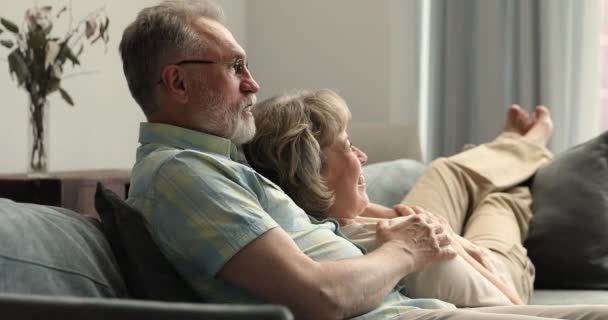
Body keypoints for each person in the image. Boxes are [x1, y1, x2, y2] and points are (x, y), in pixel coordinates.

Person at [119, 0, 608, 319]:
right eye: (236, 66)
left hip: (416, 304)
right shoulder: (180, 174)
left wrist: (402, 238)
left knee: (467, 186)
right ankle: (519, 156)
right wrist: (406, 249)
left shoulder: (217, 165)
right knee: (480, 193)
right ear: (177, 83)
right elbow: (318, 295)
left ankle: (517, 156)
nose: (254, 83)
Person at [242, 89, 552, 308]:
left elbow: (347, 212)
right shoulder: (356, 245)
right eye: (349, 146)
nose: (363, 156)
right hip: (493, 264)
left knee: (445, 170)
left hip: (413, 226)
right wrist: (458, 243)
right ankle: (525, 151)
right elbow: (510, 301)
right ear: (315, 174)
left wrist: (392, 215)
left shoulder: (306, 209)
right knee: (501, 199)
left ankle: (513, 147)